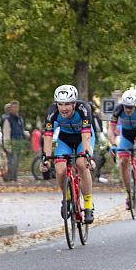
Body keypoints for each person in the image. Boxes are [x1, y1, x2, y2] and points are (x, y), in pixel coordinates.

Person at [41, 84, 96, 223]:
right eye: (60, 104)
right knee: (60, 170)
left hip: (83, 138)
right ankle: (66, 198)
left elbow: (86, 136)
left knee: (81, 164)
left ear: (74, 103)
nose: (63, 108)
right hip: (65, 139)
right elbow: (48, 136)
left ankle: (88, 205)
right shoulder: (52, 111)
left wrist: (88, 156)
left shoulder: (84, 109)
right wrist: (45, 159)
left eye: (67, 104)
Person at [108, 90, 136, 208]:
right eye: (126, 107)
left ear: (135, 105)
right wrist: (113, 144)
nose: (127, 109)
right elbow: (111, 129)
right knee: (123, 162)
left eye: (130, 107)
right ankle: (128, 194)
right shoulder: (118, 109)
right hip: (126, 134)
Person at [0, 100, 29, 181]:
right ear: (11, 108)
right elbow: (6, 133)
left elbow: (21, 130)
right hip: (11, 141)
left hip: (19, 141)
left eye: (16, 107)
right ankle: (10, 177)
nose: (15, 109)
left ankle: (14, 177)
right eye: (13, 107)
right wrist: (7, 145)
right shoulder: (7, 119)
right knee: (12, 161)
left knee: (16, 161)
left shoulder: (19, 118)